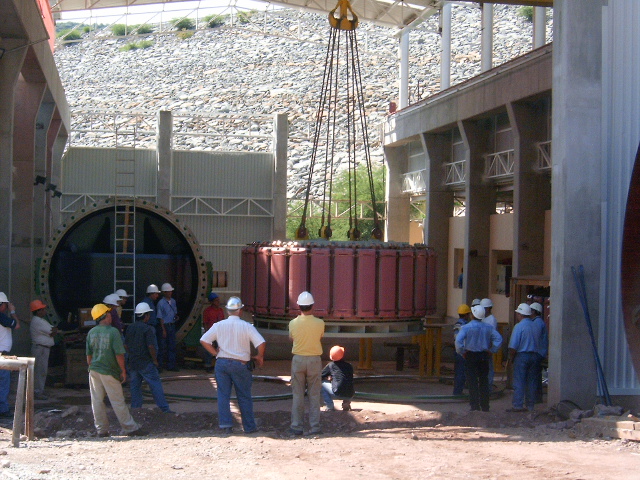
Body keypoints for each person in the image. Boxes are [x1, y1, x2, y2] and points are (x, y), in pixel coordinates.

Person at [200, 296, 265, 434]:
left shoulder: (219, 326)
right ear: (240, 311)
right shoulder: (247, 327)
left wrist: (215, 354)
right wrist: (259, 356)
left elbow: (204, 340)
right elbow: (261, 342)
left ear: (227, 311)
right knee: (244, 396)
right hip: (241, 364)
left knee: (223, 395)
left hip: (222, 363)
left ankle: (225, 426)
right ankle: (249, 427)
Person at [86, 303, 145, 437]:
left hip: (94, 370)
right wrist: (123, 371)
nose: (111, 316)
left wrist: (91, 367)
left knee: (96, 401)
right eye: (109, 314)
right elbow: (119, 354)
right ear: (105, 315)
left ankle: (101, 430)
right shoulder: (113, 332)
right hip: (109, 371)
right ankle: (130, 428)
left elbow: (89, 355)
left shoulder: (91, 332)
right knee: (117, 400)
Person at [125, 302, 174, 414]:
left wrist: (132, 354)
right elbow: (151, 346)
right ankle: (164, 409)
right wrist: (154, 360)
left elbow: (126, 345)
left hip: (133, 362)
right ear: (146, 315)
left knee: (135, 387)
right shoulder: (148, 329)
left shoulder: (130, 327)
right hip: (146, 362)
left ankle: (136, 409)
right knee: (155, 385)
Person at [288, 291, 325, 435]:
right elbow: (320, 337)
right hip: (314, 359)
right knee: (314, 395)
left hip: (298, 360)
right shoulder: (320, 323)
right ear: (313, 306)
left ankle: (296, 427)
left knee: (297, 395)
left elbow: (292, 339)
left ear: (299, 306)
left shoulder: (293, 323)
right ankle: (315, 427)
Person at [455, 304, 502, 412]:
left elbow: (458, 341)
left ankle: (474, 406)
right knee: (484, 381)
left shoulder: (466, 328)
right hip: (484, 356)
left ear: (472, 315)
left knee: (472, 382)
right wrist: (492, 350)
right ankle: (485, 406)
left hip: (470, 355)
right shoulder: (488, 327)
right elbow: (498, 339)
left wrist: (462, 352)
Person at [507, 303, 539, 412]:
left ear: (520, 314)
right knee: (531, 382)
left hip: (522, 356)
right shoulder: (535, 325)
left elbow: (513, 346)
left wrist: (511, 358)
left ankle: (518, 405)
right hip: (534, 356)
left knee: (519, 381)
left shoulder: (519, 326)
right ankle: (530, 406)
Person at [29, 300, 57, 400]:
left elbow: (53, 330)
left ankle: (39, 390)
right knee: (40, 370)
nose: (45, 311)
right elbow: (52, 331)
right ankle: (37, 392)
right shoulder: (38, 321)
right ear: (38, 311)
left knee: (41, 370)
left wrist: (54, 330)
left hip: (42, 348)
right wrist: (55, 329)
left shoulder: (40, 320)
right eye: (43, 309)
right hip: (40, 348)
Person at [0, 292, 20, 418]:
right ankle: (3, 409)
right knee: (3, 383)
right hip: (2, 355)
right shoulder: (2, 317)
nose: (7, 307)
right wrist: (13, 312)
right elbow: (16, 325)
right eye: (6, 305)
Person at [321, 345, 354, 411]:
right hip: (350, 393)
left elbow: (320, 376)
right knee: (347, 383)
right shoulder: (349, 366)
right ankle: (346, 403)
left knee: (322, 384)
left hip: (338, 393)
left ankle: (329, 406)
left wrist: (328, 378)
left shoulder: (331, 365)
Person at [157, 283, 179, 371]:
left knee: (172, 346)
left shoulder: (173, 301)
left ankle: (171, 365)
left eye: (171, 291)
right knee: (162, 347)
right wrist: (163, 330)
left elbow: (175, 312)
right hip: (165, 326)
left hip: (172, 325)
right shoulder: (161, 303)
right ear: (164, 293)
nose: (170, 293)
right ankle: (160, 366)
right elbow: (160, 317)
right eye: (168, 292)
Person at [530, 302, 549, 403]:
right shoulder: (540, 322)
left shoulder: (537, 323)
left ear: (534, 311)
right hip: (540, 353)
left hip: (537, 353)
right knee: (536, 376)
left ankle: (535, 398)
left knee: (534, 376)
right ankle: (537, 397)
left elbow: (535, 339)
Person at [202, 292, 225, 373]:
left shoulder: (220, 310)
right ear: (211, 302)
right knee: (209, 350)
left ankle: (219, 365)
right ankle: (208, 365)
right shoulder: (207, 311)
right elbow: (205, 322)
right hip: (211, 333)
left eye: (218, 300)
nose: (218, 302)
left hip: (219, 333)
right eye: (216, 300)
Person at [453, 304, 471, 395]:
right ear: (466, 315)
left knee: (457, 372)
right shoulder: (466, 326)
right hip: (463, 351)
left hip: (456, 351)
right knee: (462, 373)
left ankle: (457, 391)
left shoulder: (457, 324)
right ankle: (458, 392)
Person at [480, 298, 498, 388]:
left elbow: (493, 336)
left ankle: (488, 387)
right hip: (481, 347)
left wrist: (490, 349)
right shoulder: (483, 318)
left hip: (487, 347)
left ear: (488, 308)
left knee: (488, 369)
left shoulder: (492, 320)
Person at [143, 284, 161, 368]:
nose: (157, 296)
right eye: (156, 294)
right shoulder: (147, 303)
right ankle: (152, 365)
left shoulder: (149, 302)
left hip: (150, 326)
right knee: (153, 347)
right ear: (152, 293)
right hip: (149, 327)